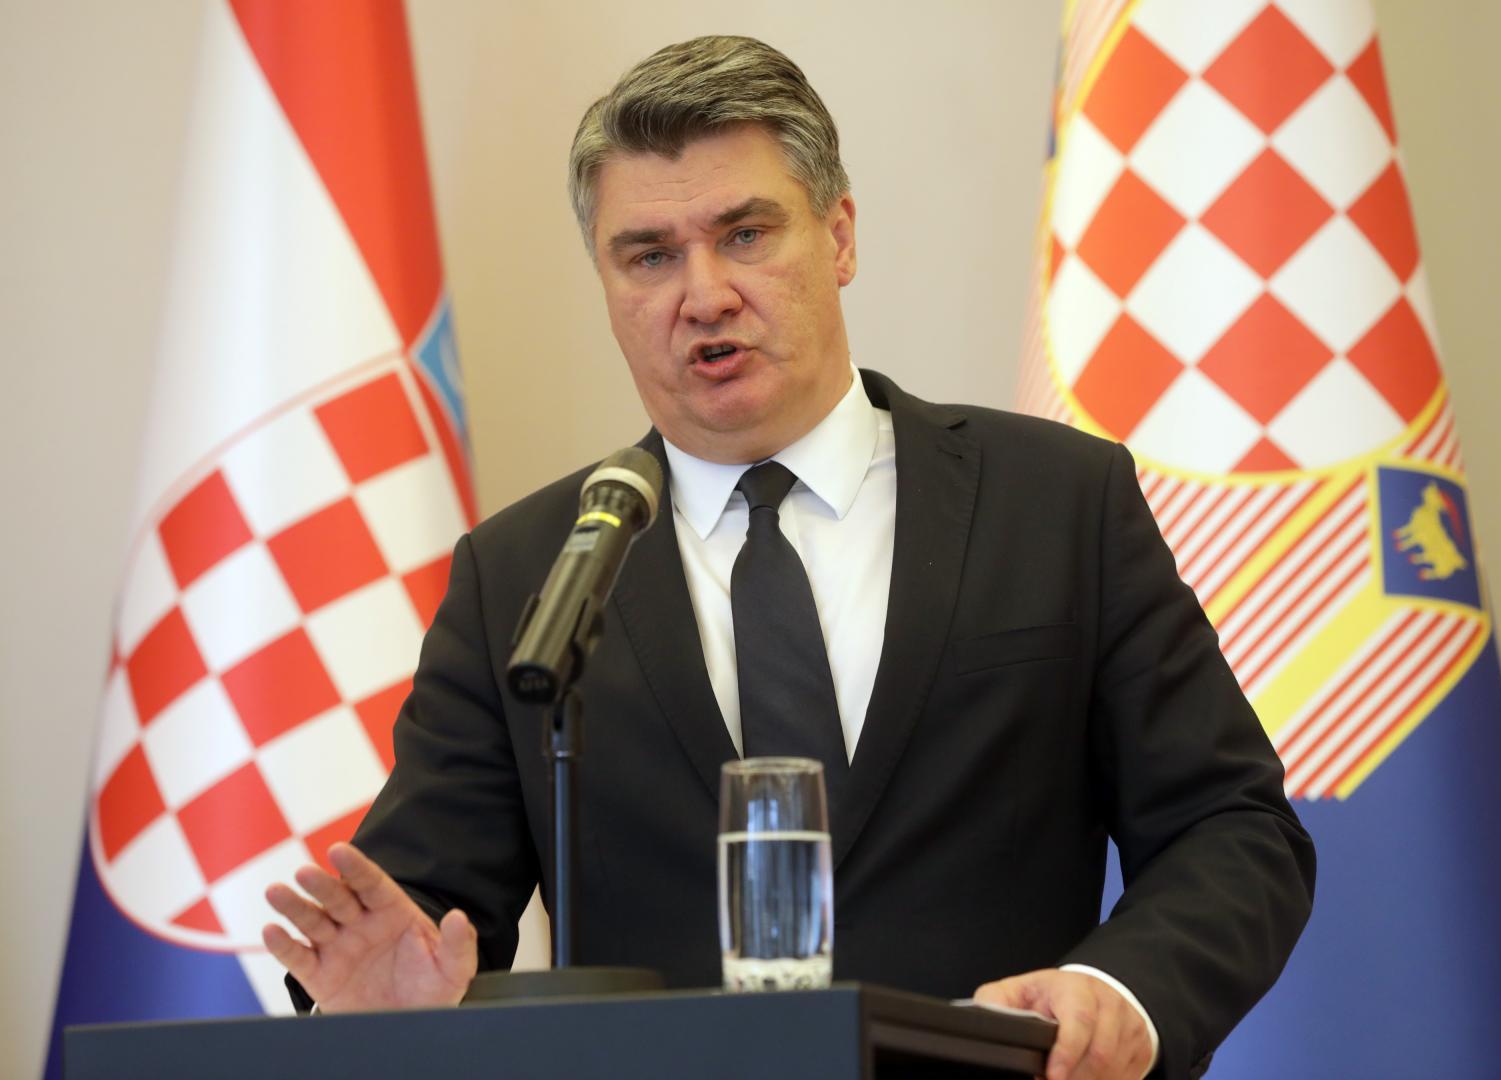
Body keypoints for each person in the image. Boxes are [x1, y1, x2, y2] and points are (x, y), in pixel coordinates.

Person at [262, 36, 1314, 1080]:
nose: (705, 294)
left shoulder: (1056, 503)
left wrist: (1120, 993)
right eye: (649, 256)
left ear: (839, 236)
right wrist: (376, 1019)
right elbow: (421, 928)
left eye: (746, 234)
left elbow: (1230, 827)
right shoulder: (526, 576)